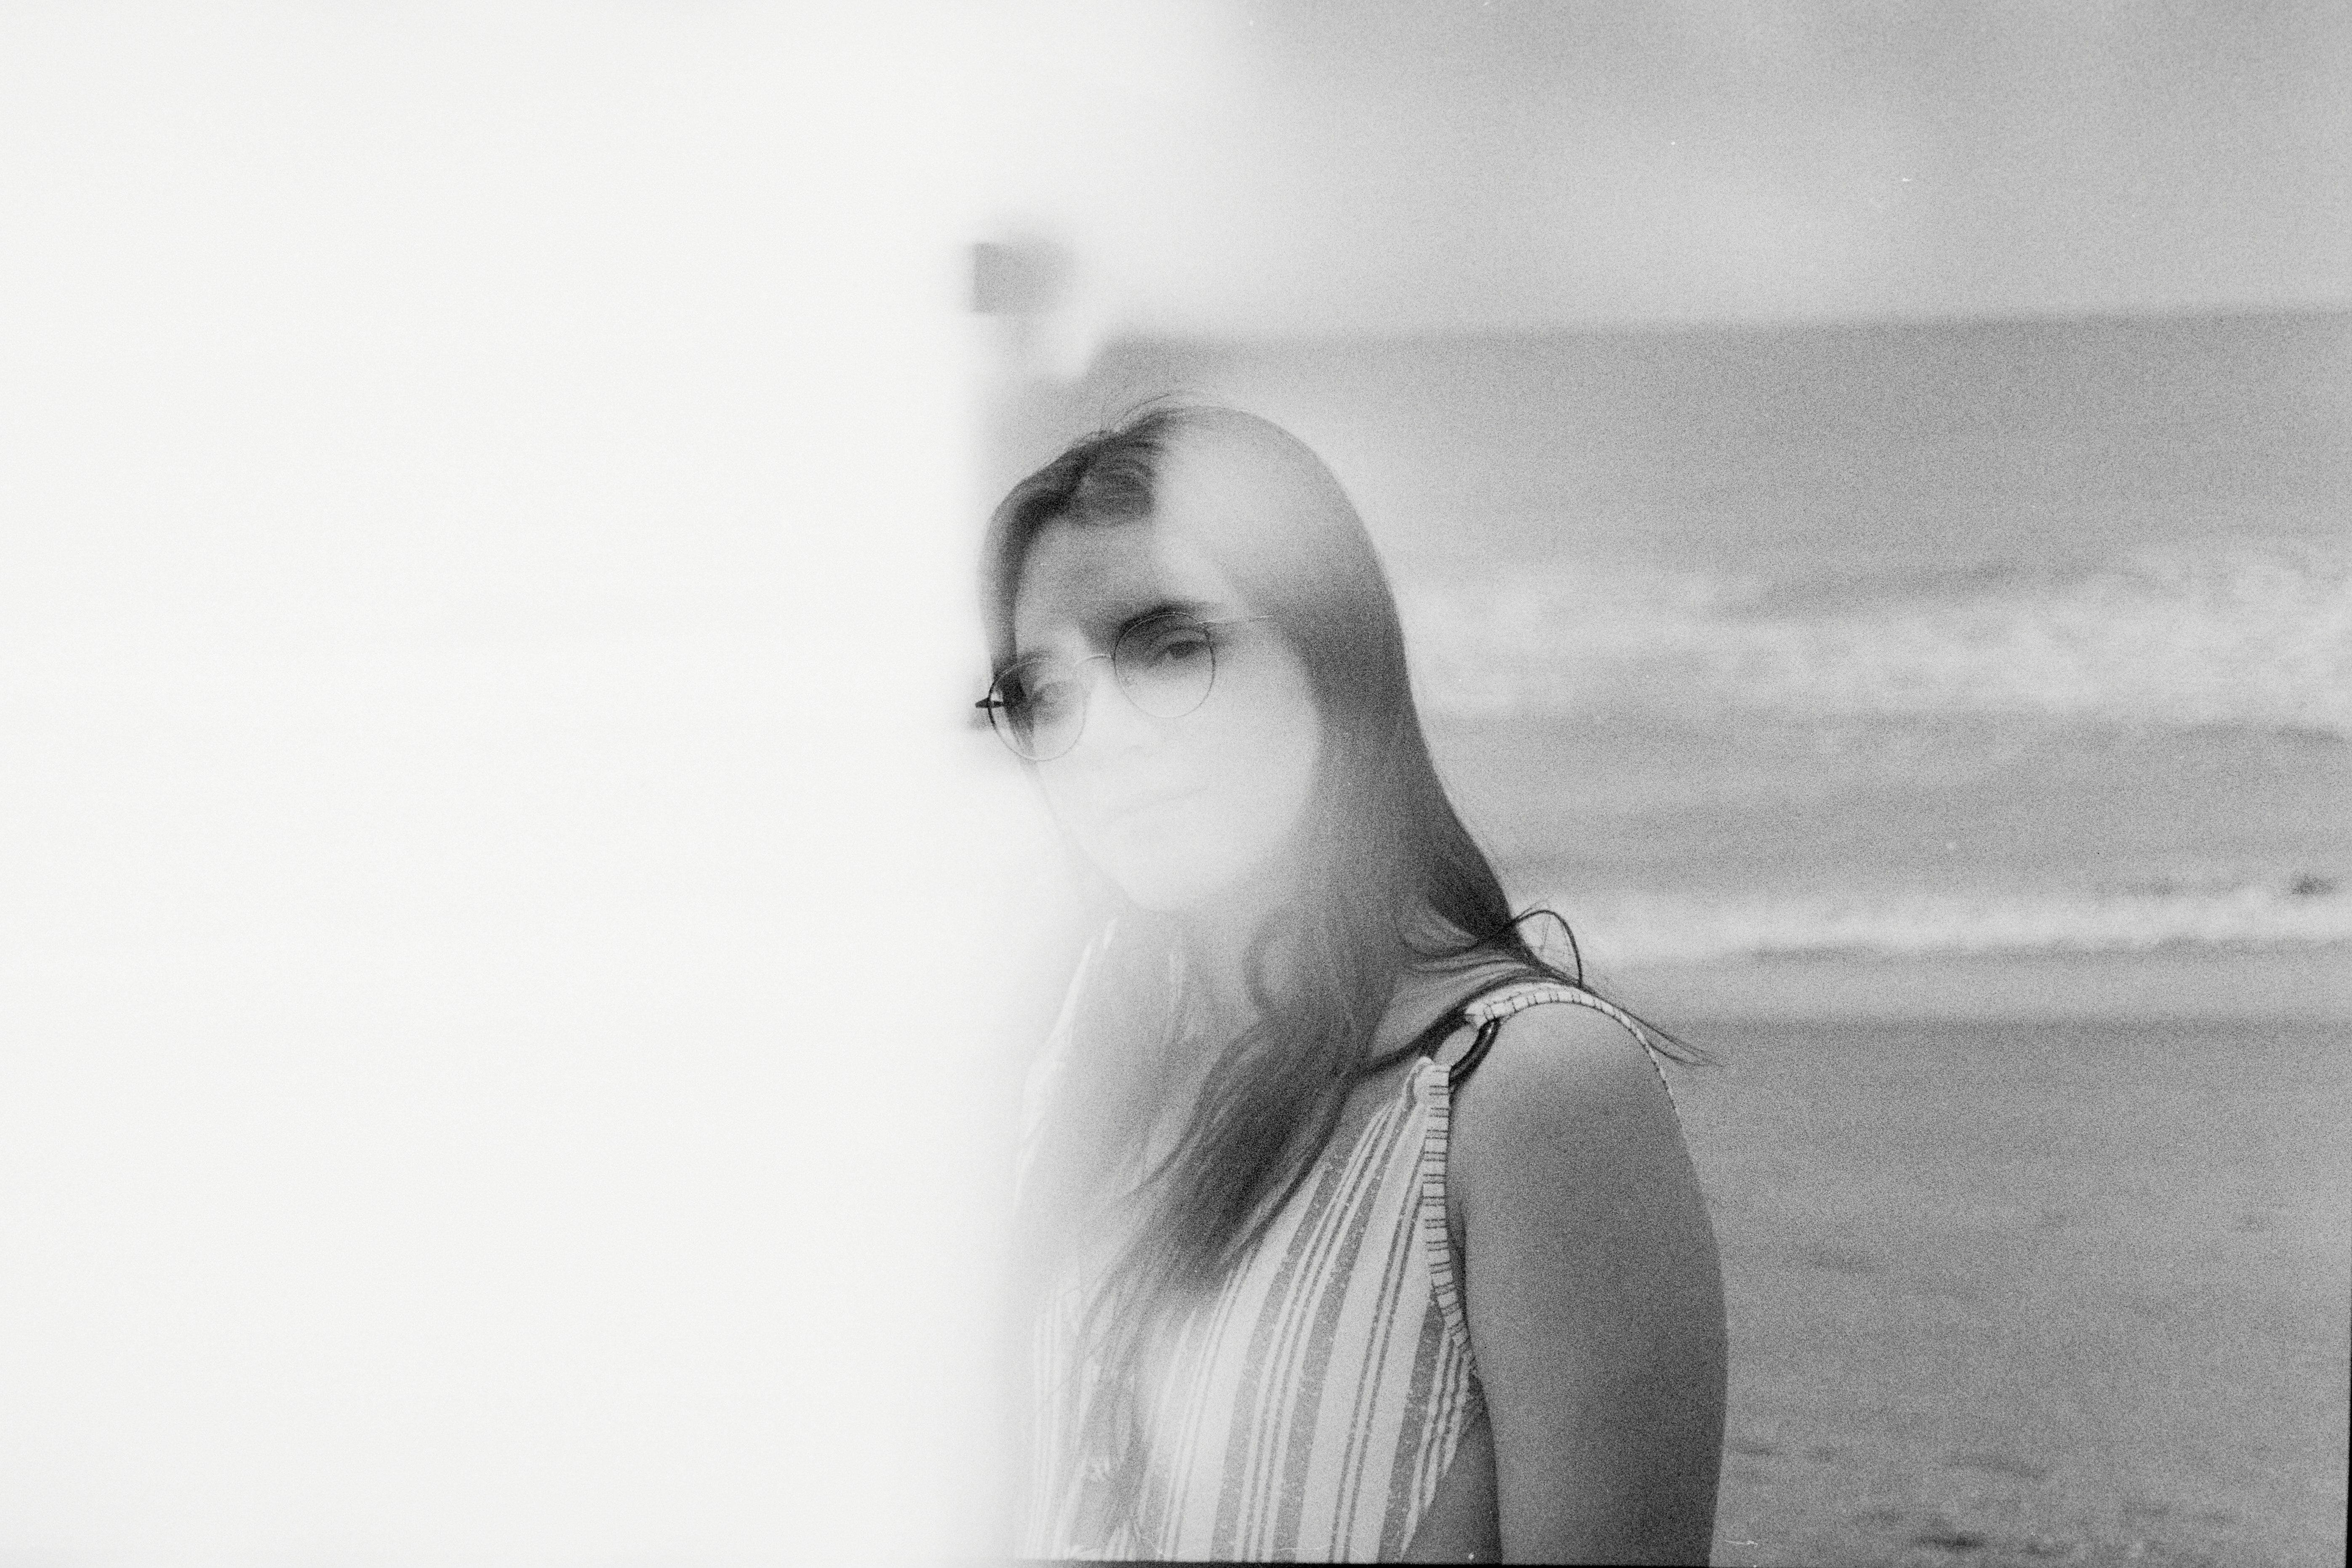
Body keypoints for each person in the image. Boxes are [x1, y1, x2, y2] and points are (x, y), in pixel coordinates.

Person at [977, 405, 1725, 1563]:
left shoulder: (1522, 1094)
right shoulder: (1103, 1076)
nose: (1104, 736)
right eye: (1043, 695)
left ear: (1331, 650)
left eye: (1170, 648)